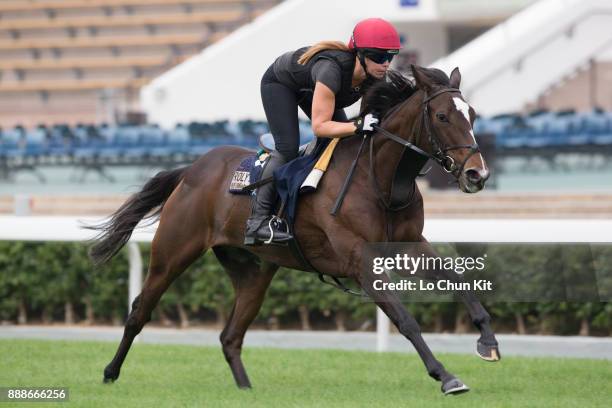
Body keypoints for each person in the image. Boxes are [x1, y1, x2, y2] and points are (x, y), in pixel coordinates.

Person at [244, 17, 402, 246]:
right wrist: (357, 126)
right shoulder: (331, 70)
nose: (386, 63)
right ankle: (257, 223)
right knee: (287, 148)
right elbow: (320, 126)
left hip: (311, 85)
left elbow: (372, 124)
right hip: (281, 84)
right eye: (379, 57)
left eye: (390, 56)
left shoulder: (376, 75)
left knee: (342, 141)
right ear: (359, 54)